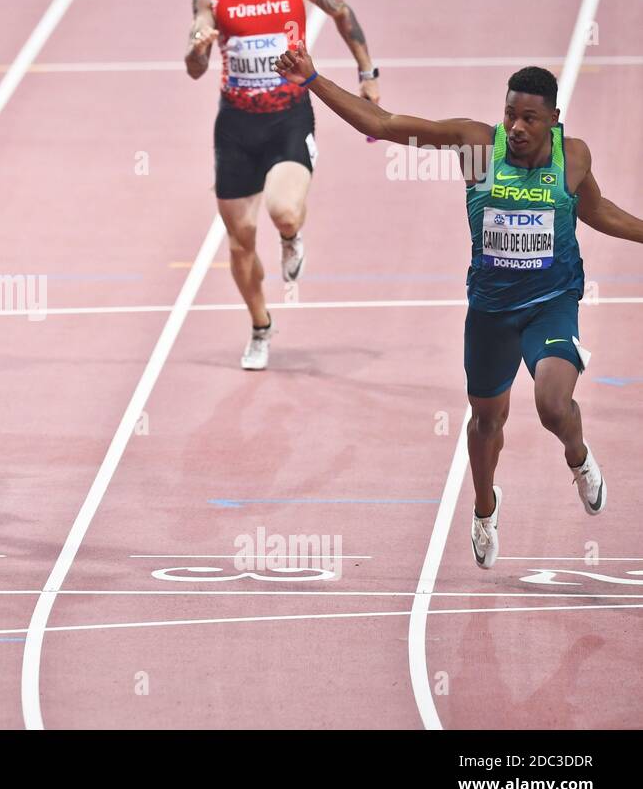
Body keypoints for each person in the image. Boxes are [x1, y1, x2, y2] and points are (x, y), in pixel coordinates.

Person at [274, 42, 639, 568]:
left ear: (553, 121)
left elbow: (597, 211)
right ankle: (485, 508)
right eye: (510, 113)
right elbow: (381, 121)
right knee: (487, 423)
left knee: (553, 406)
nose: (515, 126)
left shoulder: (573, 156)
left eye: (529, 118)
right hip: (490, 314)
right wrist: (312, 79)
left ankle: (578, 459)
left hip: (551, 303)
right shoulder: (475, 146)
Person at [186, 0, 380, 369]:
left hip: (289, 116)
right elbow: (194, 66)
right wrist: (198, 47)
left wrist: (367, 73)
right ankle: (260, 327)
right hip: (234, 124)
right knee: (240, 239)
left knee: (285, 213)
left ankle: (292, 240)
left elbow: (342, 13)